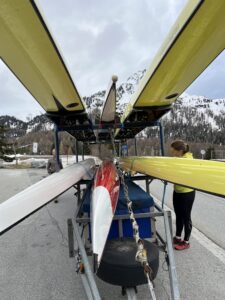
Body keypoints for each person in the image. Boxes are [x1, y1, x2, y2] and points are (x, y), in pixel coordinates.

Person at [170, 140, 195, 251]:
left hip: (187, 193)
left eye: (173, 151)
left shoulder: (187, 160)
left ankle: (186, 241)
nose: (172, 153)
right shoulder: (179, 159)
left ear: (180, 151)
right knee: (178, 215)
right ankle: (178, 237)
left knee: (186, 217)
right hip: (178, 191)